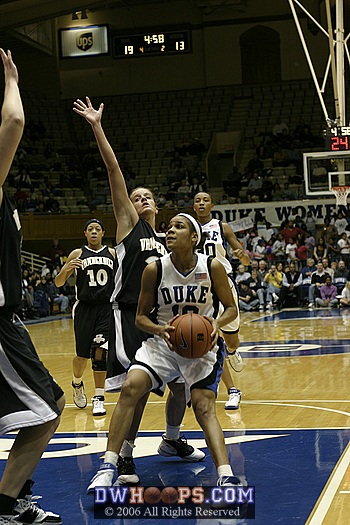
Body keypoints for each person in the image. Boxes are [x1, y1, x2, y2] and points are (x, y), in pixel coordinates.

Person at [73, 97, 203, 489]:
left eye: (147, 197)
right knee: (138, 386)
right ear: (127, 205)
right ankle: (123, 454)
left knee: (180, 385)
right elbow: (114, 170)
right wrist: (97, 126)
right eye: (135, 196)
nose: (141, 199)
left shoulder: (168, 243)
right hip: (129, 316)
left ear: (157, 206)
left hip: (162, 321)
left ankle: (171, 439)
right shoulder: (129, 226)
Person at [88, 213, 241, 491]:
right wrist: (160, 330)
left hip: (202, 346)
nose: (170, 231)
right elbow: (140, 318)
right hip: (165, 342)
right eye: (168, 227)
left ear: (194, 238)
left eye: (178, 227)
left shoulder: (213, 266)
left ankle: (225, 473)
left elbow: (231, 308)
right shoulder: (154, 269)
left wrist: (215, 324)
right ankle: (108, 466)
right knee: (131, 388)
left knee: (203, 406)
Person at [0, 48, 65, 525]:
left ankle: (14, 497)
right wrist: (11, 81)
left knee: (53, 405)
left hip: (10, 323)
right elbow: (15, 123)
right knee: (45, 412)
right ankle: (5, 506)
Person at [193, 191, 251, 410]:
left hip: (224, 282)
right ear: (193, 206)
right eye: (197, 200)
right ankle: (232, 390)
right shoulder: (188, 228)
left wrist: (241, 256)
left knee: (231, 340)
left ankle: (234, 351)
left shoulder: (222, 227)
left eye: (205, 200)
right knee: (213, 340)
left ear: (212, 204)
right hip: (201, 285)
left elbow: (243, 256)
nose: (201, 203)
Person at [55, 219, 116, 417]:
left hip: (105, 307)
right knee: (82, 356)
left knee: (100, 352)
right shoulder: (77, 254)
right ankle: (77, 382)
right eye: (90, 229)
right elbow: (58, 283)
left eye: (98, 229)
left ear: (103, 233)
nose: (94, 232)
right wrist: (65, 269)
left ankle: (99, 398)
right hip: (84, 308)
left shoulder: (113, 253)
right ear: (85, 233)